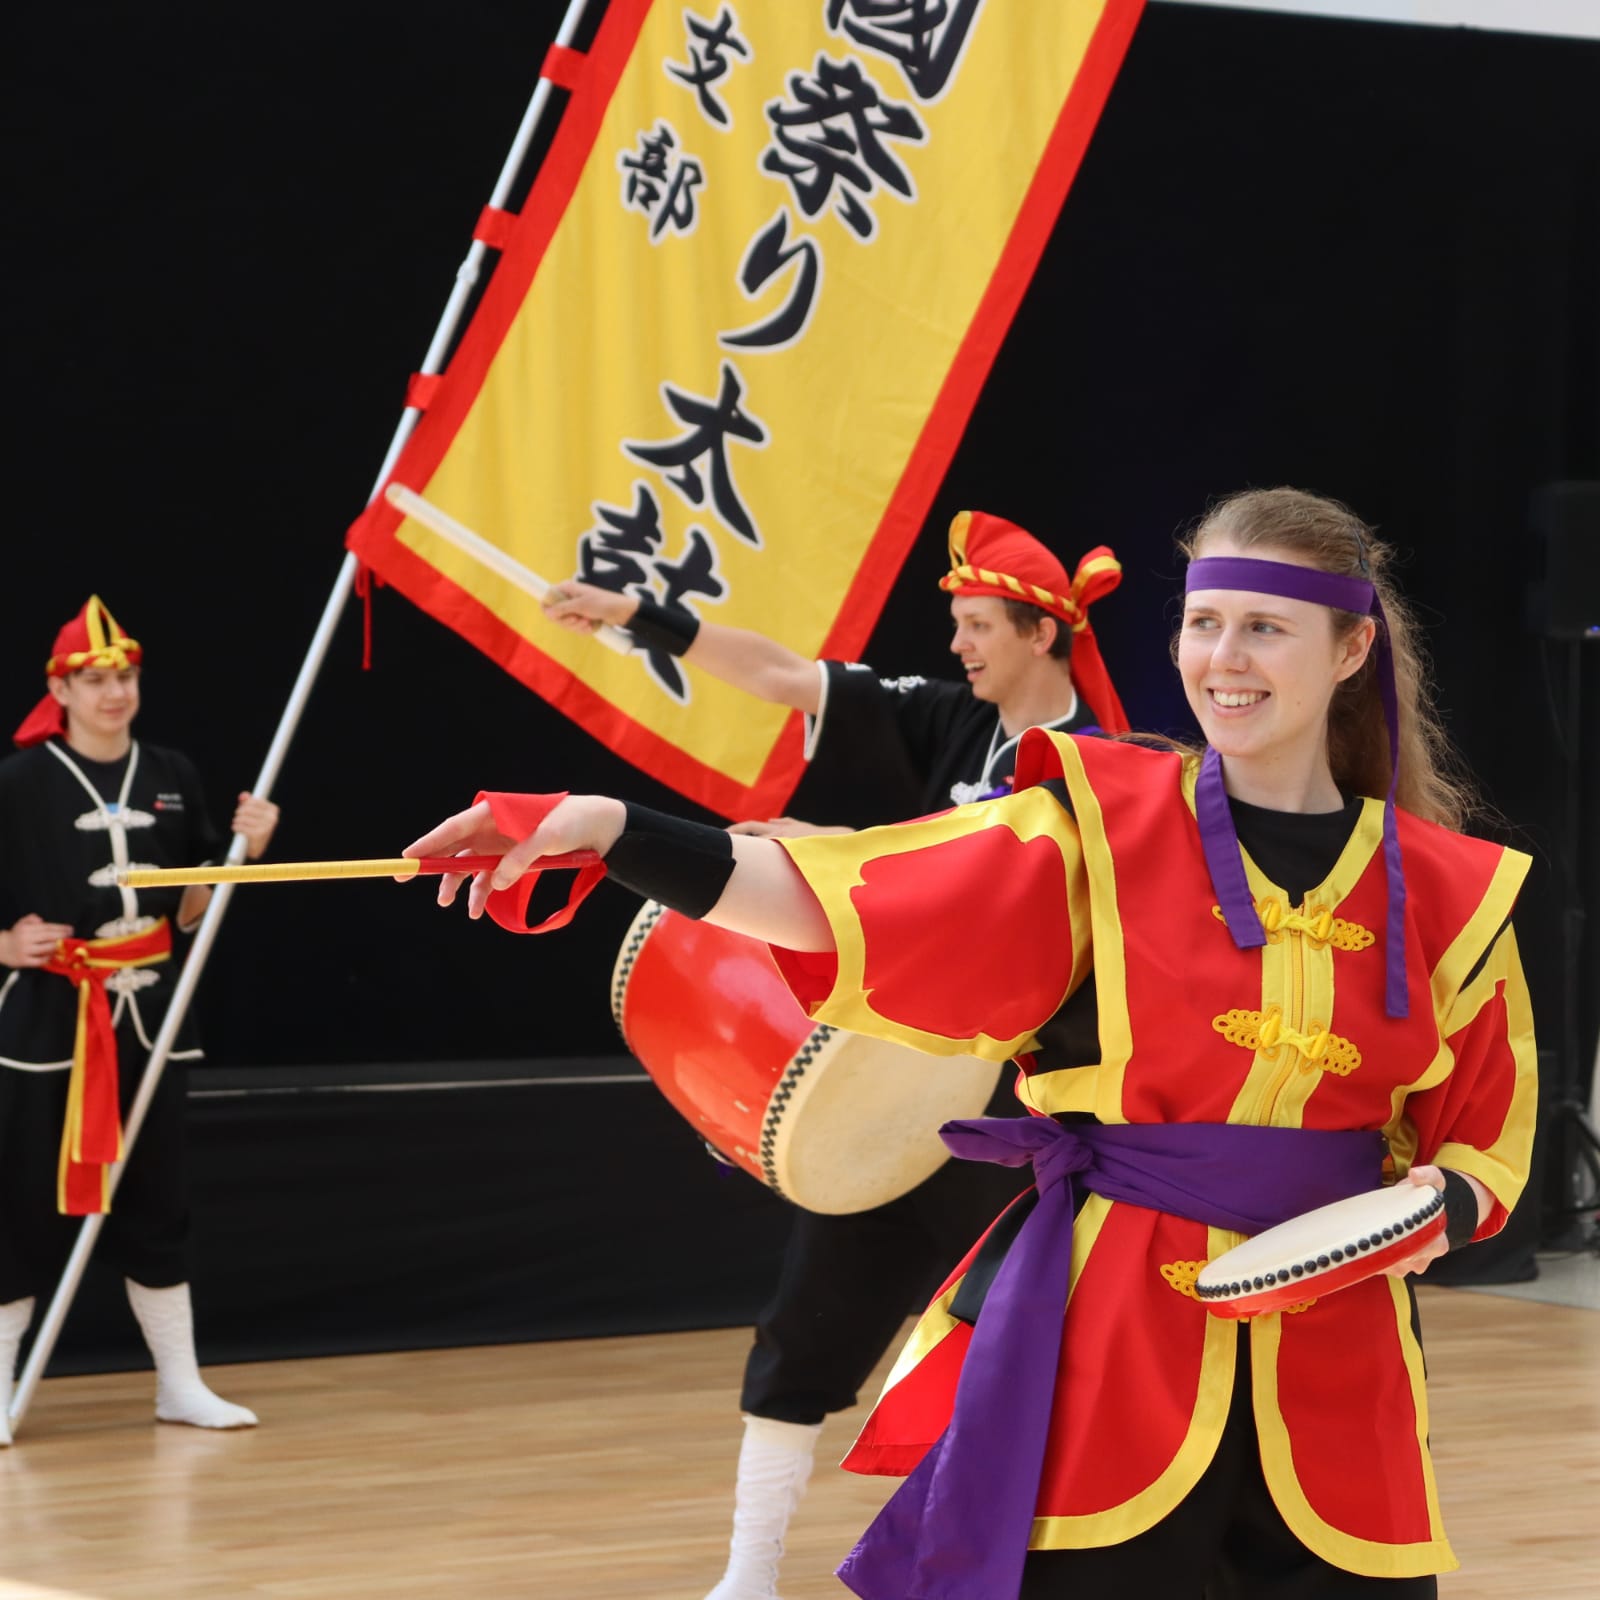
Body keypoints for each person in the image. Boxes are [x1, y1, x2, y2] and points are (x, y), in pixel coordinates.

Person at [405, 487, 1537, 1598]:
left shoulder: (1449, 890)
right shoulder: (1096, 822)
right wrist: (609, 828)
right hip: (1116, 1336)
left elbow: (1486, 1145)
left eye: (1262, 628)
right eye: (1201, 622)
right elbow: (834, 900)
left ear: (1348, 651)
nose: (1222, 658)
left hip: (1345, 1362)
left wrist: (1426, 1213)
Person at [544, 511, 1129, 1600]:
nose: (956, 646)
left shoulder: (1108, 769)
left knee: (1024, 1352)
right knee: (806, 1328)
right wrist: (634, 615)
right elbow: (778, 674)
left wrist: (838, 851)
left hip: (1023, 1110)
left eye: (976, 628)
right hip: (898, 1084)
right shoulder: (957, 721)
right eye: (954, 625)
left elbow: (995, 903)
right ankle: (748, 1572)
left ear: (1041, 635)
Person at [0, 596, 280, 1444]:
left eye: (122, 676)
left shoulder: (170, 773)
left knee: (158, 1200)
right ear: (62, 689)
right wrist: (5, 943)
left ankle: (180, 1385)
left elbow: (194, 907)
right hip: (49, 1021)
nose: (113, 693)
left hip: (151, 1019)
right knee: (20, 1205)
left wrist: (246, 854)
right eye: (93, 680)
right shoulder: (19, 782)